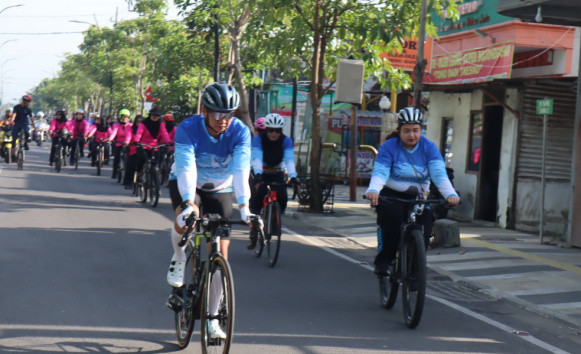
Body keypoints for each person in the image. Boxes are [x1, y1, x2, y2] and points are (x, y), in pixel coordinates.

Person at [166, 82, 253, 340]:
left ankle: (213, 319)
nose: (223, 120)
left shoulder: (240, 132)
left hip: (220, 188)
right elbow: (185, 168)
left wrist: (246, 207)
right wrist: (188, 202)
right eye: (216, 114)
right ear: (204, 110)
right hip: (189, 184)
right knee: (186, 216)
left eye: (228, 114)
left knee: (221, 255)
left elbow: (240, 170)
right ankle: (180, 257)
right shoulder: (188, 128)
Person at [365, 107, 460, 275]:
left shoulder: (429, 147)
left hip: (420, 195)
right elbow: (381, 171)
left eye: (415, 130)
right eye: (407, 131)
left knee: (424, 229)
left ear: (421, 130)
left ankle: (415, 272)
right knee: (391, 221)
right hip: (392, 194)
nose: (411, 135)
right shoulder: (389, 147)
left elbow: (439, 174)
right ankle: (385, 260)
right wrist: (374, 190)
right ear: (399, 130)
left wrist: (450, 194)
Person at [248, 113, 298, 249]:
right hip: (261, 172)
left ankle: (274, 222)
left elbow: (289, 159)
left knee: (282, 197)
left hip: (277, 173)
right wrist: (258, 174)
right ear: (266, 130)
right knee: (258, 197)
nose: (274, 134)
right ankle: (254, 227)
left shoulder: (286, 141)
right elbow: (257, 158)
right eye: (271, 130)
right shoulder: (258, 140)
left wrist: (293, 176)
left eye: (277, 131)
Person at [132, 108, 170, 176]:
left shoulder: (160, 124)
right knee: (141, 161)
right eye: (153, 115)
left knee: (156, 162)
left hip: (154, 146)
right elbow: (139, 133)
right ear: (150, 115)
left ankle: (154, 179)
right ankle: (139, 176)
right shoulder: (144, 123)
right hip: (144, 145)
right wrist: (136, 141)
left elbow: (164, 133)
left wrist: (168, 142)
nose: (155, 117)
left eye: (157, 116)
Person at [110, 109, 133, 179]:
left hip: (128, 144)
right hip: (119, 143)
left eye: (126, 117)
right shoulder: (117, 125)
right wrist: (110, 138)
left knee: (129, 159)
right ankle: (114, 172)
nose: (125, 118)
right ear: (120, 117)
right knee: (116, 158)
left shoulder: (131, 125)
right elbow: (114, 132)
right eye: (123, 117)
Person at [123, 114, 143, 189]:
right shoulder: (131, 128)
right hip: (132, 148)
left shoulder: (145, 129)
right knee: (130, 165)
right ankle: (128, 182)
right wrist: (127, 141)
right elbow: (128, 136)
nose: (139, 123)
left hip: (142, 149)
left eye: (141, 122)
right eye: (138, 121)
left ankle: (141, 179)